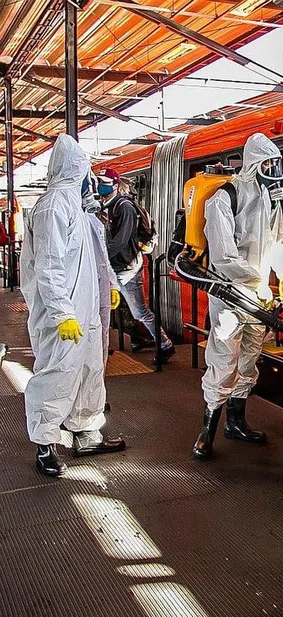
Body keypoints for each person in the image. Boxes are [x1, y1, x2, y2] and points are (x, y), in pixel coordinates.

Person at [21, 134, 127, 477]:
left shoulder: (80, 211)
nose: (91, 181)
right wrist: (62, 313)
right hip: (63, 313)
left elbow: (95, 258)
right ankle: (45, 445)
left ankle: (86, 432)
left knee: (90, 370)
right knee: (57, 373)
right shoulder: (53, 206)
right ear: (75, 169)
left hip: (86, 309)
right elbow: (48, 266)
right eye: (87, 172)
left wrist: (109, 286)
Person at [192, 133, 283, 460]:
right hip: (229, 296)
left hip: (257, 296)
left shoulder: (268, 199)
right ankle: (207, 430)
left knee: (249, 358)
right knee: (224, 359)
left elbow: (276, 241)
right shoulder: (224, 198)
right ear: (253, 163)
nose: (273, 170)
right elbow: (223, 256)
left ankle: (236, 422)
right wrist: (257, 281)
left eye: (276, 164)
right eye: (268, 164)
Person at [98, 167, 175, 362]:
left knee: (139, 311)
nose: (101, 186)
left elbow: (121, 240)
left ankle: (165, 345)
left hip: (126, 269)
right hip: (115, 267)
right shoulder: (106, 206)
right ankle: (104, 346)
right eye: (99, 182)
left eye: (105, 183)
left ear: (116, 185)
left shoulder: (124, 207)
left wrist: (101, 257)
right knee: (103, 307)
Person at [83, 170, 121, 411]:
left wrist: (112, 283)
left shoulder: (93, 219)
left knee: (98, 345)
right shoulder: (58, 213)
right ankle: (85, 404)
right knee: (84, 350)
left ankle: (94, 398)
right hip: (80, 295)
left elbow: (103, 257)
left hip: (98, 290)